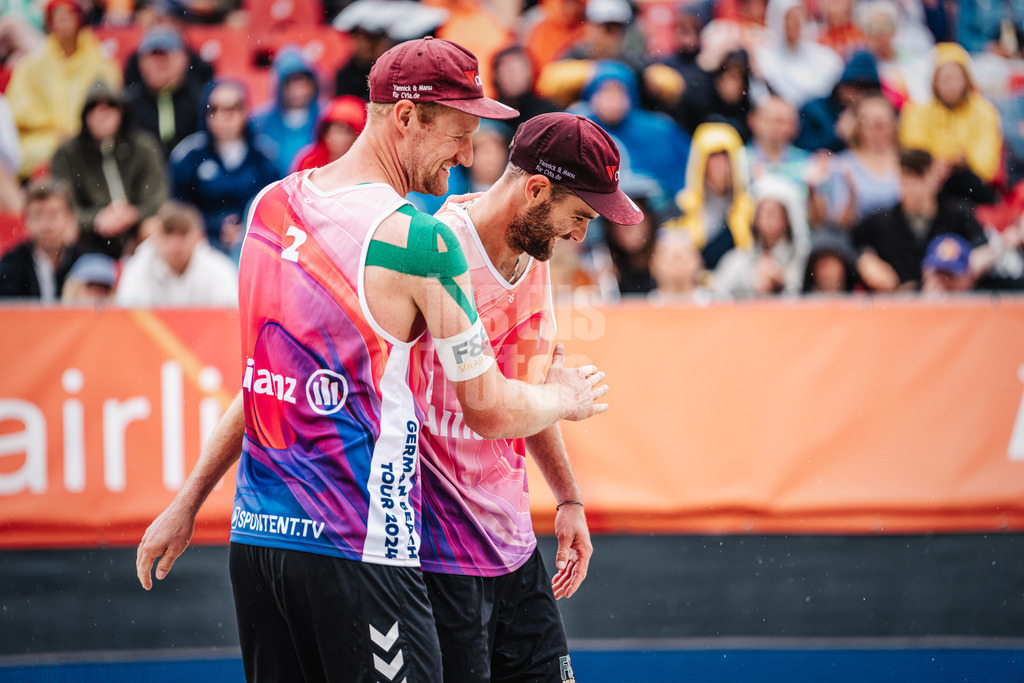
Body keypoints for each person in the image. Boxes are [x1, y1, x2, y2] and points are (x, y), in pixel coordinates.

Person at [137, 38, 610, 683]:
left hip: (258, 542)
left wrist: (188, 501)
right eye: (461, 133)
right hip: (361, 547)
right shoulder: (423, 241)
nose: (469, 155)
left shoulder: (270, 207)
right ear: (407, 119)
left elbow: (267, 383)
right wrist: (567, 397)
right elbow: (492, 406)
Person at [50, 81, 168, 258]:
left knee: (154, 226)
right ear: (84, 115)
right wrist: (97, 219)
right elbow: (64, 207)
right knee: (65, 230)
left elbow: (157, 198)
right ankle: (69, 280)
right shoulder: (68, 154)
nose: (101, 113)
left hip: (136, 232)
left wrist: (131, 214)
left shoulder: (144, 147)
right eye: (93, 106)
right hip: (88, 237)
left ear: (122, 111)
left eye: (110, 106)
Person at [5, 0, 122, 179]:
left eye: (68, 16)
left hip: (91, 140)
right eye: (57, 17)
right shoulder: (30, 65)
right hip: (44, 143)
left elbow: (112, 104)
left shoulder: (102, 64)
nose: (63, 22)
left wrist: (81, 132)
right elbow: (17, 107)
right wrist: (54, 127)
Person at [851, 148, 992, 291]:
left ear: (936, 178)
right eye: (907, 177)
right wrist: (865, 259)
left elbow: (983, 249)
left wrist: (964, 272)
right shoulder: (879, 222)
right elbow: (852, 244)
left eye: (920, 177)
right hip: (897, 305)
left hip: (950, 302)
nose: (914, 186)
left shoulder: (959, 215)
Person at [169, 78, 279, 253]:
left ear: (245, 111)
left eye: (231, 108)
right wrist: (214, 226)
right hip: (200, 246)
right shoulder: (188, 155)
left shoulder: (265, 156)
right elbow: (178, 209)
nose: (223, 115)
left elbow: (275, 208)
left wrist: (247, 228)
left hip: (255, 244)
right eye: (214, 109)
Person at [899, 43, 1003, 188]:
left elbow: (987, 165)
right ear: (934, 81)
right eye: (945, 78)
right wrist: (941, 161)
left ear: (966, 79)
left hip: (971, 184)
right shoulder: (916, 112)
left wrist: (962, 161)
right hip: (930, 184)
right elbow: (914, 155)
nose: (951, 85)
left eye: (956, 77)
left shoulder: (984, 111)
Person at [663, 122, 755, 270]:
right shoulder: (681, 208)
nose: (719, 165)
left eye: (725, 157)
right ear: (700, 162)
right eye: (712, 158)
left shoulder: (751, 207)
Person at [115, 200, 238, 307]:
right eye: (169, 233)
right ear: (156, 236)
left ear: (199, 237)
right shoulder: (138, 266)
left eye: (183, 234)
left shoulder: (219, 269)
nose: (176, 244)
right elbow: (129, 318)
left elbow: (228, 319)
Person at [713, 174, 809, 297]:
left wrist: (780, 285)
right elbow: (719, 298)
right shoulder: (736, 261)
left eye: (772, 213)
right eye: (761, 213)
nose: (765, 220)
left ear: (787, 220)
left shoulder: (803, 261)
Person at [124, 25, 206, 159]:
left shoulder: (202, 100)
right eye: (153, 56)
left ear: (183, 59)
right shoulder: (126, 104)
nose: (160, 62)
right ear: (140, 62)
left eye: (167, 55)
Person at [820, 94, 901, 230]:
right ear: (859, 127)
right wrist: (853, 196)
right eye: (872, 123)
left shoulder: (907, 161)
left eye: (884, 123)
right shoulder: (841, 164)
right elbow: (837, 224)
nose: (878, 130)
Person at [0, 178, 84, 301]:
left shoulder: (84, 259)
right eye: (37, 216)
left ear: (68, 217)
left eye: (53, 215)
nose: (45, 225)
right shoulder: (11, 263)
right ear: (26, 221)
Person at [250, 46, 324, 178]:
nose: (298, 90)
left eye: (303, 82)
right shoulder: (259, 122)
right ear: (280, 86)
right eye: (291, 82)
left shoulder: (326, 116)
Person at [756, 0, 844, 109]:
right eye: (789, 18)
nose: (794, 23)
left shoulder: (822, 55)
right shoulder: (764, 58)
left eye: (798, 17)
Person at [795, 50, 881, 153]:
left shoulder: (881, 116)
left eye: (866, 89)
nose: (858, 95)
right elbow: (800, 149)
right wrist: (837, 134)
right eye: (853, 85)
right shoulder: (814, 110)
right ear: (841, 85)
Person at [292, 95, 367, 172]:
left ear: (358, 137)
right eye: (335, 131)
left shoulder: (365, 166)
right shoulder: (308, 161)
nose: (339, 138)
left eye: (346, 132)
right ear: (324, 132)